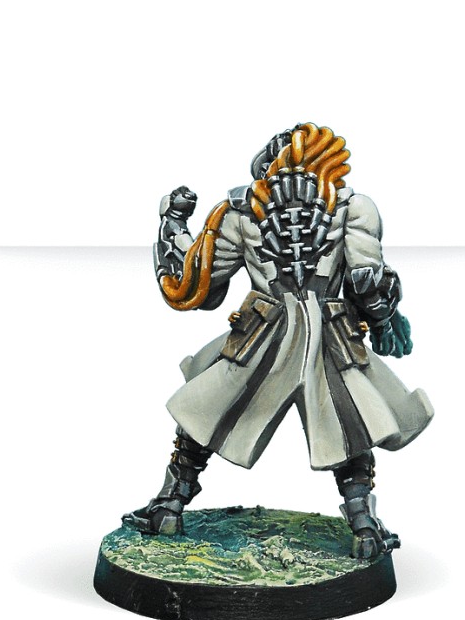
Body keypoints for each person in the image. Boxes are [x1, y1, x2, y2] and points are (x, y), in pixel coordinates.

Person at [122, 123, 433, 559]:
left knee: (208, 411)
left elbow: (199, 281)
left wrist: (172, 225)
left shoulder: (241, 213)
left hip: (265, 330)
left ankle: (169, 504)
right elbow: (368, 281)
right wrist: (383, 316)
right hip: (326, 330)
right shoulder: (352, 207)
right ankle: (363, 525)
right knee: (347, 424)